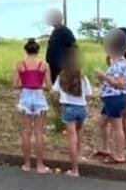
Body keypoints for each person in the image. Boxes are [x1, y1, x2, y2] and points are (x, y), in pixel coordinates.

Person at [95, 29, 126, 164]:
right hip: (110, 98)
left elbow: (120, 84)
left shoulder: (121, 65)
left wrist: (104, 76)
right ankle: (105, 148)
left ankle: (119, 155)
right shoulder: (116, 63)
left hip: (116, 97)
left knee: (117, 126)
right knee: (102, 123)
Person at [13, 38, 52, 173]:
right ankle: (40, 165)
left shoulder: (20, 65)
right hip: (39, 96)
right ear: (37, 50)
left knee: (26, 132)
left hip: (25, 96)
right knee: (39, 132)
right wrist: (38, 84)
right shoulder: (44, 65)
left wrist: (26, 84)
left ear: (26, 50)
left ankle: (27, 164)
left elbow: (15, 84)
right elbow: (49, 86)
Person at [53, 48, 91, 177]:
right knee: (79, 136)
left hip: (68, 108)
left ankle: (74, 169)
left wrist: (58, 107)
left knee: (71, 139)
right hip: (82, 108)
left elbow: (55, 93)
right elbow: (88, 95)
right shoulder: (83, 78)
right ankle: (78, 158)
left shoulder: (61, 77)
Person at [44, 9, 76, 85]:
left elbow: (74, 47)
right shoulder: (54, 32)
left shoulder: (65, 31)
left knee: (63, 85)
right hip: (53, 65)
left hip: (62, 66)